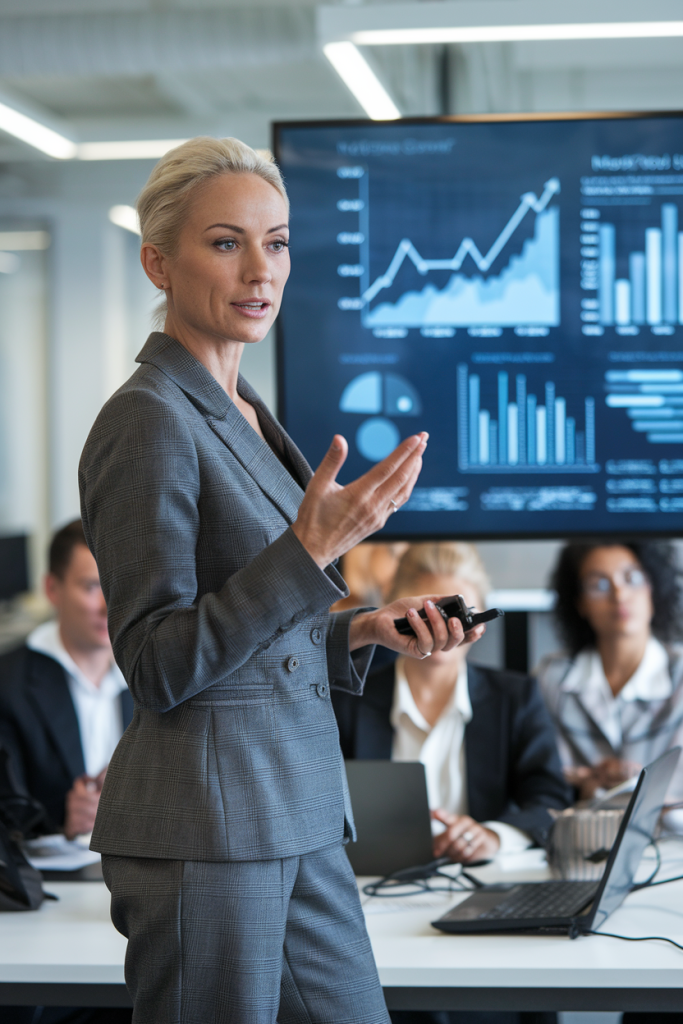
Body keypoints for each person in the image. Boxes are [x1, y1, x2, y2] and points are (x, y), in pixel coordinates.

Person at [78, 137, 485, 1024]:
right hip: (207, 828)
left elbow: (259, 631)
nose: (261, 269)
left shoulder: (246, 410)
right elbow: (155, 662)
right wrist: (307, 557)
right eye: (226, 243)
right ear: (158, 261)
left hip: (296, 810)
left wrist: (363, 629)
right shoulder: (146, 422)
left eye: (278, 241)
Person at [334, 542, 571, 868]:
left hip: (482, 882)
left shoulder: (516, 698)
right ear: (397, 612)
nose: (445, 632)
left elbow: (550, 799)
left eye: (460, 617)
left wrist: (494, 836)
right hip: (372, 882)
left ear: (482, 617)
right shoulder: (347, 700)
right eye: (426, 616)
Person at [0, 519, 132, 838]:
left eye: (118, 584)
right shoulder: (8, 686)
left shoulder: (154, 676)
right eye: (91, 586)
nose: (108, 606)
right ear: (52, 589)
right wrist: (61, 824)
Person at [537, 541, 683, 802]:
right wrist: (589, 783)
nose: (619, 594)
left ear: (653, 588)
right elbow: (540, 780)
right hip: (580, 835)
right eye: (599, 585)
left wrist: (639, 783)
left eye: (633, 578)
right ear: (580, 603)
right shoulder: (551, 678)